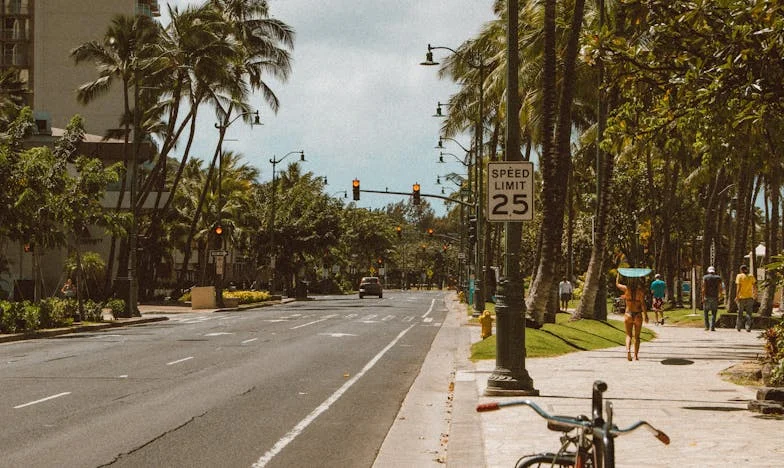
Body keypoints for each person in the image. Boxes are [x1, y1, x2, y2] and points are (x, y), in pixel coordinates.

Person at [616, 273, 647, 361]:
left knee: (628, 335)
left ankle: (628, 351)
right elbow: (643, 305)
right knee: (637, 337)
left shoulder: (626, 289)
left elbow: (617, 284)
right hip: (637, 314)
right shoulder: (640, 291)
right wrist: (646, 315)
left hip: (628, 314)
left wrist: (618, 275)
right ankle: (636, 356)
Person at [735, 264, 757, 332]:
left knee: (740, 313)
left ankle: (738, 327)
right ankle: (748, 327)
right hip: (750, 297)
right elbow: (754, 286)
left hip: (741, 297)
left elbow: (738, 287)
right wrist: (755, 294)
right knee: (749, 313)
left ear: (741, 270)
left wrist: (737, 296)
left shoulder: (739, 276)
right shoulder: (751, 276)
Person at [702, 266, 723, 331]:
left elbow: (704, 288)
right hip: (715, 297)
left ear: (708, 271)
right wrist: (720, 295)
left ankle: (707, 326)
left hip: (707, 297)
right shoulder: (718, 278)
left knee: (706, 312)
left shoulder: (705, 277)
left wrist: (703, 297)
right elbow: (720, 287)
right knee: (714, 312)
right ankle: (712, 327)